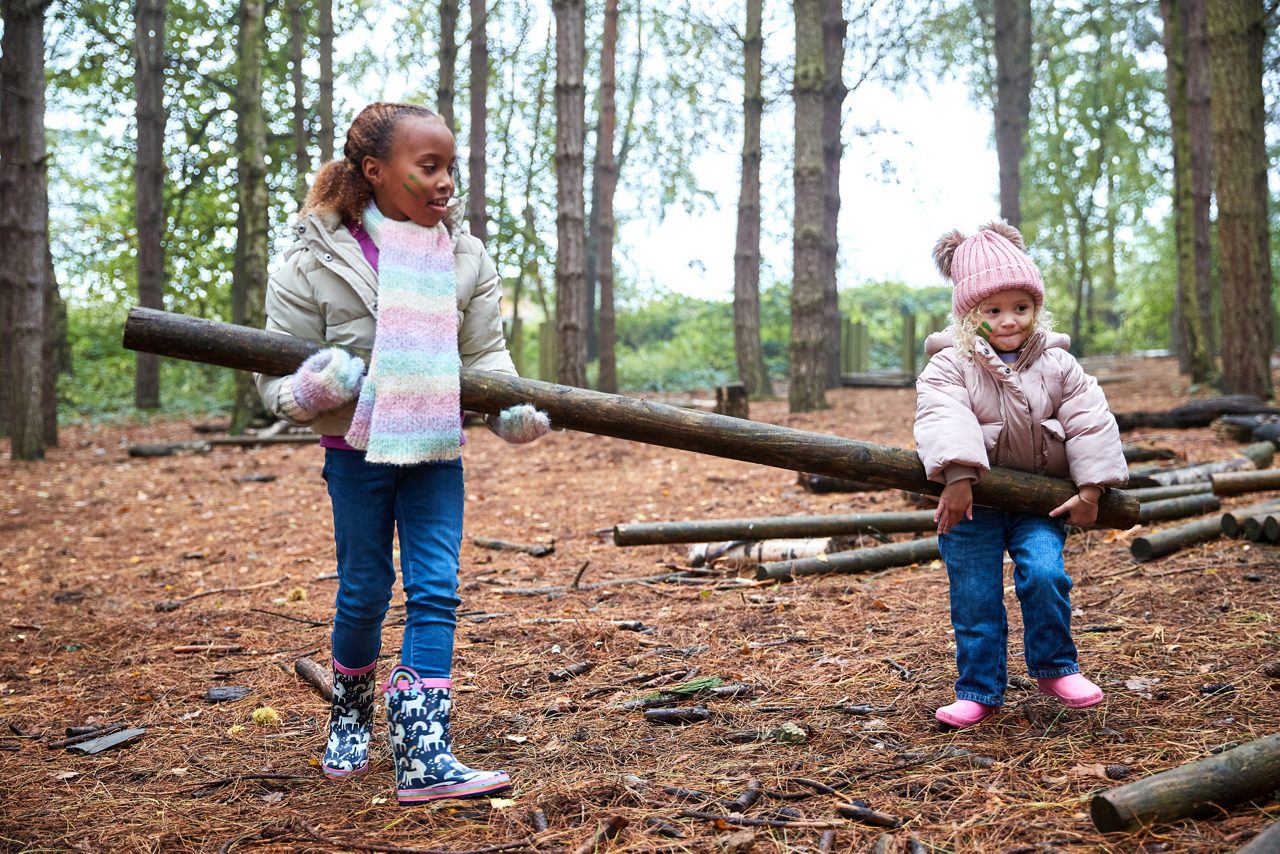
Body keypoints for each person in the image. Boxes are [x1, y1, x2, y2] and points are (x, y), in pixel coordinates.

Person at [255, 102, 551, 803]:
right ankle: (351, 717)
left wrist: (507, 409)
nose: (447, 182)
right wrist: (310, 387)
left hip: (437, 448)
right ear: (374, 171)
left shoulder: (466, 254)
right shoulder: (310, 257)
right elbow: (271, 383)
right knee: (364, 592)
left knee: (437, 589)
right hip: (353, 451)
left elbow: (484, 356)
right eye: (430, 167)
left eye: (452, 166)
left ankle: (424, 753)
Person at [914, 222, 1127, 729]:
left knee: (1046, 574)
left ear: (1036, 308)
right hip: (972, 505)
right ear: (970, 313)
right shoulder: (950, 365)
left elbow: (1090, 421)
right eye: (993, 310)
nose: (1008, 320)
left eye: (1020, 307)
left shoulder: (1058, 364)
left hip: (1039, 504)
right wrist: (959, 476)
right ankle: (980, 689)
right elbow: (943, 415)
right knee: (974, 595)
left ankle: (1055, 667)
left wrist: (1092, 489)